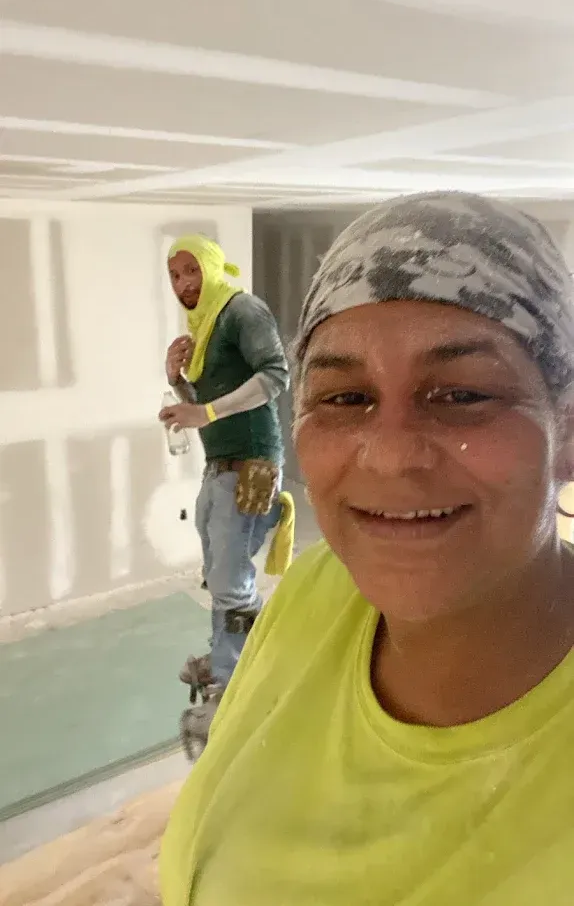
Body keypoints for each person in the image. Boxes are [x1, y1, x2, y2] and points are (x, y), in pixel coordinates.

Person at [160, 193, 574, 905]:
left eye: (465, 394)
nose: (388, 458)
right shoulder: (320, 589)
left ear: (566, 432)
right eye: (346, 399)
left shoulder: (244, 316)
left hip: (245, 472)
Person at [158, 234, 291, 752]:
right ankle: (227, 656)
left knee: (232, 582)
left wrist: (204, 412)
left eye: (191, 271)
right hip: (222, 466)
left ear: (211, 269)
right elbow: (205, 404)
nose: (184, 284)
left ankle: (233, 689)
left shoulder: (241, 310)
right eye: (174, 275)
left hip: (255, 466)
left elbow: (275, 376)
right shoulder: (205, 328)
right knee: (221, 576)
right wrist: (177, 384)